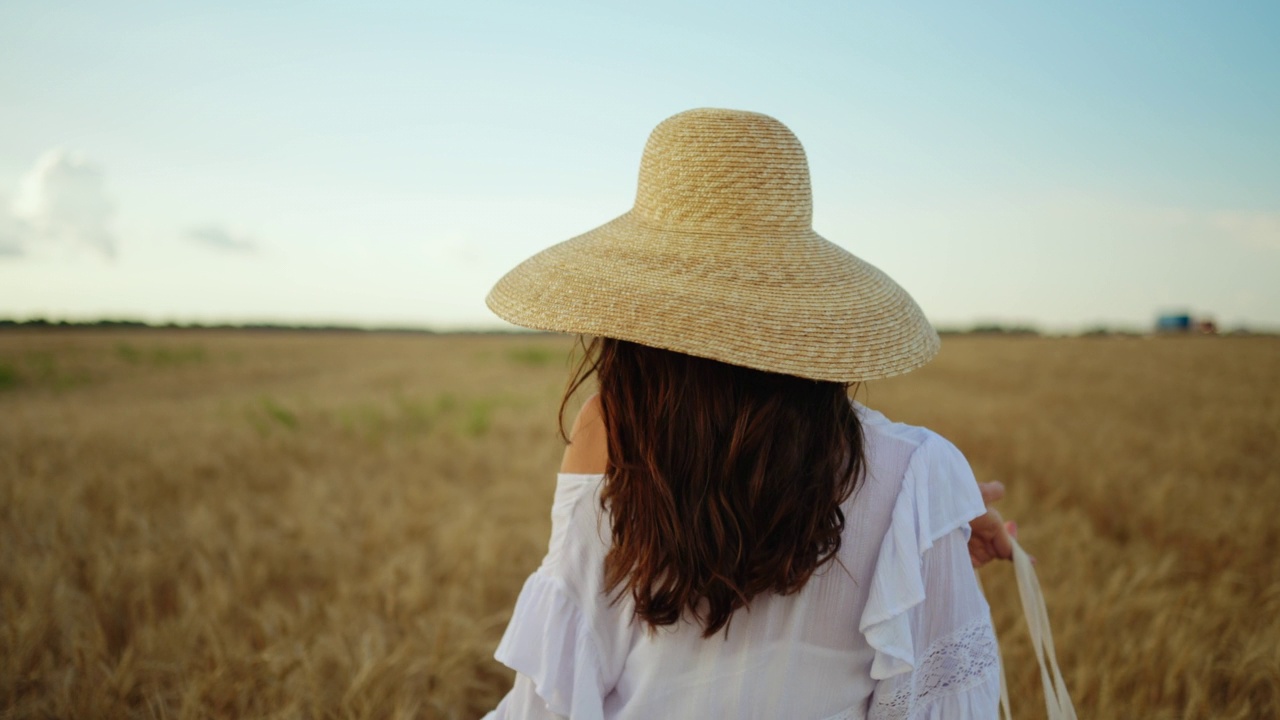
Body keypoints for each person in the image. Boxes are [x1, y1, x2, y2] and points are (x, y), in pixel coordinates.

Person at [481, 108, 1016, 719]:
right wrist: (919, 522)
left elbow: (556, 695)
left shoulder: (608, 428)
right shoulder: (921, 474)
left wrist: (925, 523)